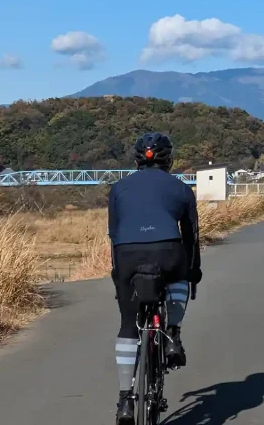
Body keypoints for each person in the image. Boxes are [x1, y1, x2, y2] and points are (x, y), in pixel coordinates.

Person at [109, 132, 202, 423]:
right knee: (178, 277)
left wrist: (118, 276)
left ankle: (125, 401)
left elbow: (114, 234)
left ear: (137, 159)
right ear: (169, 158)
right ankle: (172, 333)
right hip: (168, 251)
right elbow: (191, 238)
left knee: (128, 325)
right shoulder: (182, 189)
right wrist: (193, 273)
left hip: (127, 257)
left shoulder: (118, 188)